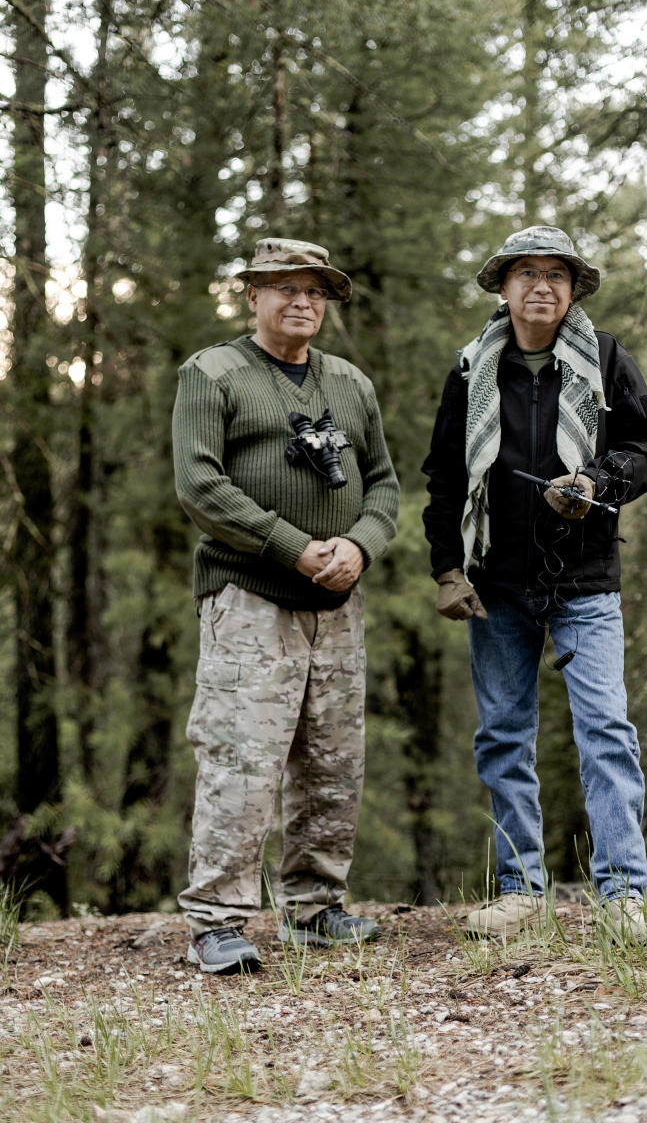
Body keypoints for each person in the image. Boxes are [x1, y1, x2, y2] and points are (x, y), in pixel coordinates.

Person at [422, 225, 647, 942]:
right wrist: (446, 567)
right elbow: (443, 476)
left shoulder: (606, 361)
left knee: (605, 731)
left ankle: (623, 895)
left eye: (556, 275)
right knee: (503, 735)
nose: (541, 286)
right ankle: (520, 890)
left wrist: (597, 480)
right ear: (503, 287)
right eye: (525, 273)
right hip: (495, 582)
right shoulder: (473, 369)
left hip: (587, 581)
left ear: (572, 291)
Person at [173, 238, 399, 973]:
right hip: (249, 596)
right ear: (252, 295)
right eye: (284, 288)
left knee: (332, 758)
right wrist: (291, 546)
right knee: (242, 758)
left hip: (337, 599)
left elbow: (386, 486)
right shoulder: (213, 374)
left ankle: (315, 907)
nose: (302, 301)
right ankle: (215, 919)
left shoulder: (351, 385)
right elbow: (201, 487)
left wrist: (360, 546)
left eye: (316, 290)